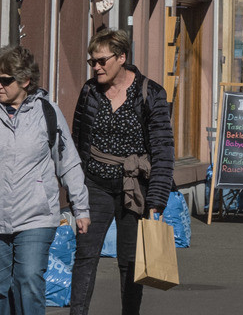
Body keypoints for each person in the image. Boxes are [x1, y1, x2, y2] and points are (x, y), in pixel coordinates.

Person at [0, 43, 89, 315]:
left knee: (28, 281)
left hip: (36, 217)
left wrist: (81, 207)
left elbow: (69, 162)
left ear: (26, 81)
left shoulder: (48, 114)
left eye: (5, 80)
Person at [67, 28, 175, 315]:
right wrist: (75, 192)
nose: (96, 67)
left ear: (122, 57)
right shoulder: (90, 91)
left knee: (129, 261)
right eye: (92, 62)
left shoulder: (150, 92)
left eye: (102, 61)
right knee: (85, 256)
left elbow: (163, 150)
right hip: (95, 185)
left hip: (134, 188)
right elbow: (78, 144)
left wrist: (156, 203)